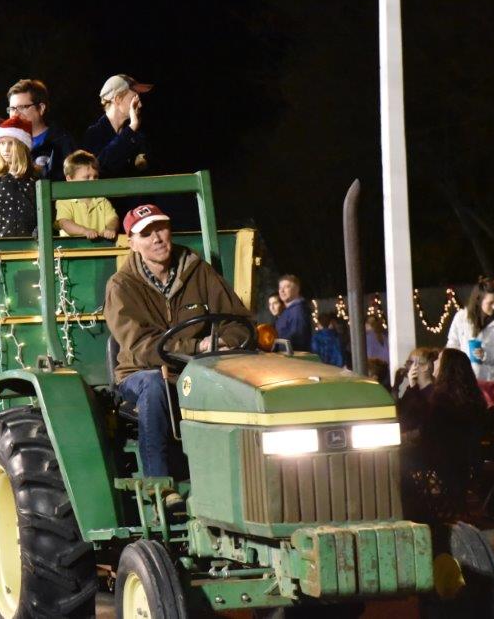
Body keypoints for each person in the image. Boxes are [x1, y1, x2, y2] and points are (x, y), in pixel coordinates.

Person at [104, 204, 252, 478]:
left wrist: (223, 342)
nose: (157, 238)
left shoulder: (198, 271)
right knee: (154, 385)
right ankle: (159, 484)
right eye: (146, 234)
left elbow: (237, 320)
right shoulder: (121, 286)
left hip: (201, 369)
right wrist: (198, 347)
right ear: (132, 243)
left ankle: (246, 477)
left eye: (160, 228)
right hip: (140, 372)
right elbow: (140, 348)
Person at [406, 348, 489, 517]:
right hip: (466, 460)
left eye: (438, 360)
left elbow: (426, 430)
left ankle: (414, 509)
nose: (434, 363)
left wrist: (413, 388)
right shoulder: (472, 398)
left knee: (400, 459)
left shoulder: (442, 400)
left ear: (447, 368)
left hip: (443, 459)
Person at [84, 74, 154, 217]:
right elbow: (102, 166)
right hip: (107, 220)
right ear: (117, 99)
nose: (139, 105)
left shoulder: (137, 135)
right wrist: (131, 128)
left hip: (137, 216)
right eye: (134, 98)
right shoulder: (94, 133)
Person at [6, 79, 75, 181]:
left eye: (22, 107)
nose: (15, 114)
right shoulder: (4, 143)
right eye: (12, 108)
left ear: (41, 108)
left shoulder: (61, 143)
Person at [446, 278, 494, 385]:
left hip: (491, 385)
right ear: (479, 301)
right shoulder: (461, 318)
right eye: (490, 303)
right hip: (465, 382)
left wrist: (486, 354)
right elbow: (452, 346)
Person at [54, 150, 118, 239]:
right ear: (69, 179)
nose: (92, 181)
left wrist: (111, 228)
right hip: (71, 250)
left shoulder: (101, 200)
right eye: (87, 177)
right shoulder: (64, 201)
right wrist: (84, 231)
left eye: (95, 177)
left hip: (100, 248)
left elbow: (112, 218)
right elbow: (64, 222)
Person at [393, 347, 438, 433]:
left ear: (425, 367)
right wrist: (396, 386)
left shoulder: (433, 391)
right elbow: (399, 413)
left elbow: (423, 416)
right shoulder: (412, 389)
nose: (406, 366)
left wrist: (413, 386)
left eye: (410, 362)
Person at [274, 274, 311, 351]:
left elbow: (297, 339)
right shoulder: (288, 311)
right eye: (280, 288)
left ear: (297, 289)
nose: (281, 291)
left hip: (293, 359)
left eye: (286, 287)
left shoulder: (298, 311)